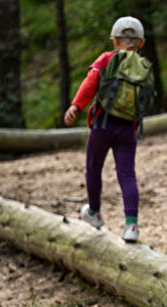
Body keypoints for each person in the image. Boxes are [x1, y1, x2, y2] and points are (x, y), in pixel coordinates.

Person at [64, 16, 149, 242]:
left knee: (93, 168)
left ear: (115, 40)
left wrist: (76, 106)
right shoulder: (141, 66)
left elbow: (90, 83)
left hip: (102, 126)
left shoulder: (106, 59)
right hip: (128, 129)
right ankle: (131, 225)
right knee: (127, 175)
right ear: (141, 43)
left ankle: (94, 213)